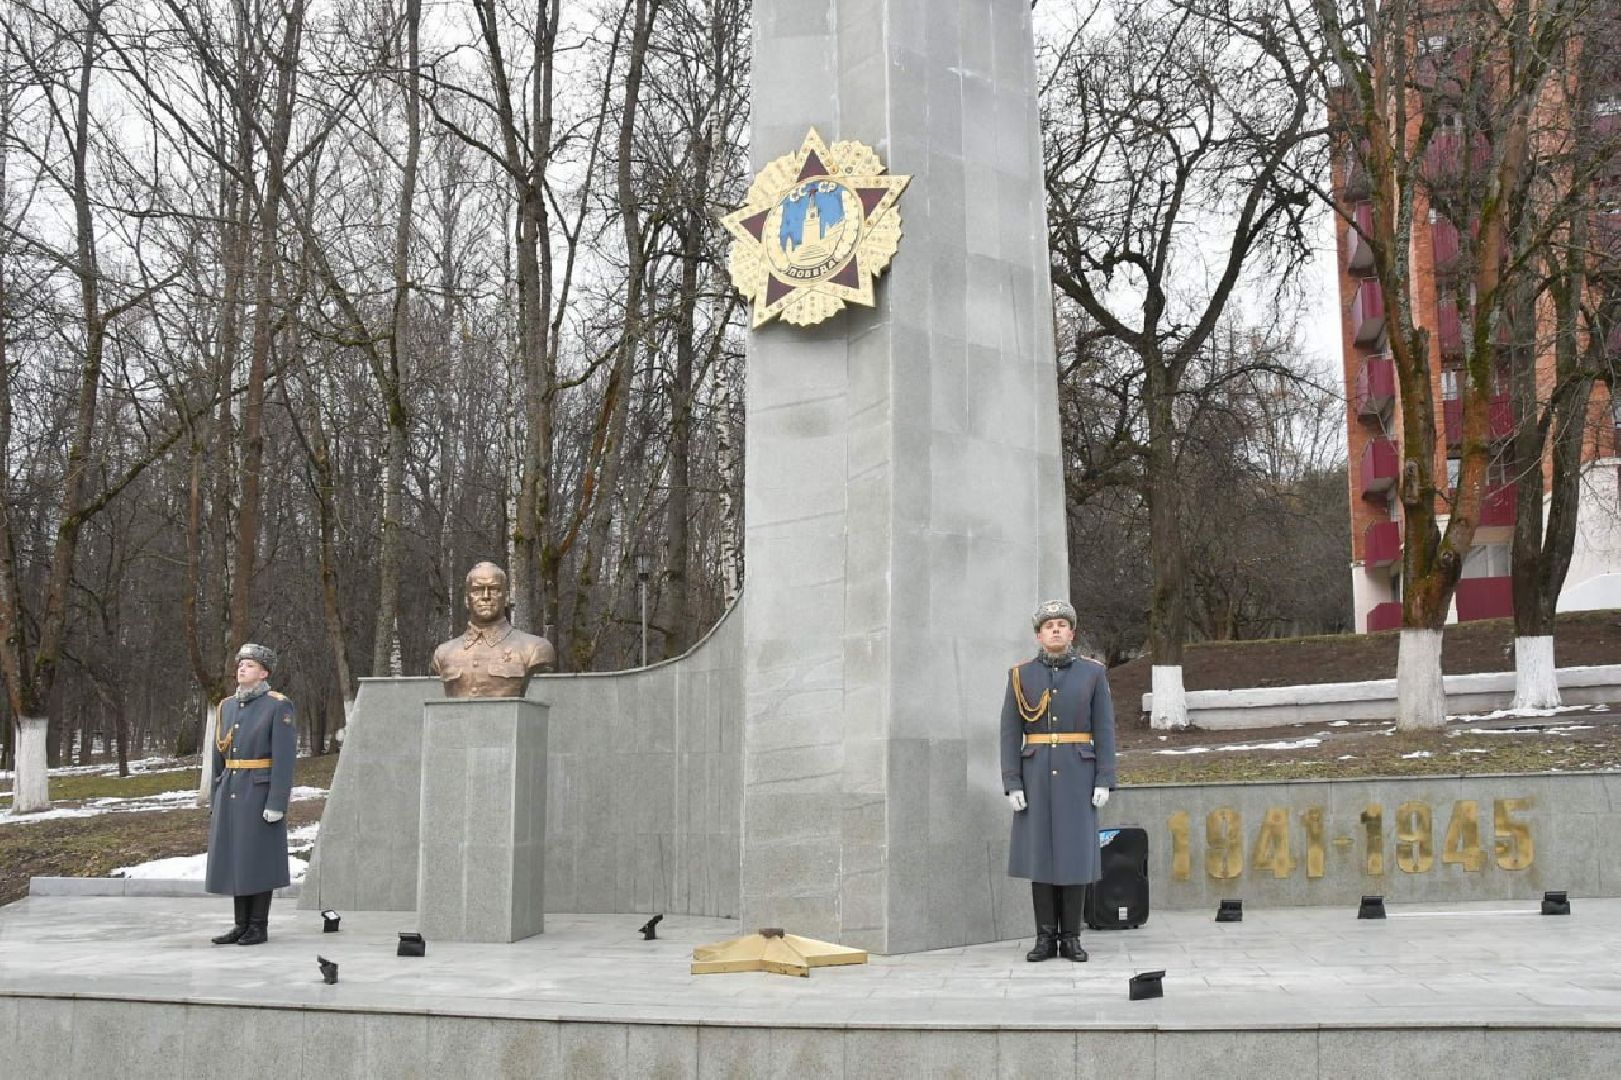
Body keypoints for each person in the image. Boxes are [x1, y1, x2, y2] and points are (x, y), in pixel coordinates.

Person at [1000, 600, 1117, 962]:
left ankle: (1071, 938)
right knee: (1041, 858)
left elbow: (1104, 729)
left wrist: (1104, 778)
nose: (1055, 630)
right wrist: (1012, 782)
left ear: (1072, 633)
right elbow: (1009, 732)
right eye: (1048, 625)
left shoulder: (1093, 674)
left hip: (1078, 775)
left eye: (1062, 625)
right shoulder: (1020, 675)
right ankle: (1044, 938)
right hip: (1035, 776)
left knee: (1074, 857)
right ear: (1038, 634)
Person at [206, 643, 296, 946]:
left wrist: (277, 801)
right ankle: (241, 925)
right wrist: (215, 794)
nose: (242, 669)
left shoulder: (278, 705)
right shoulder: (227, 706)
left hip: (258, 791)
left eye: (250, 665)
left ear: (264, 673)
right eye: (240, 664)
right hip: (231, 788)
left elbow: (285, 759)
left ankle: (258, 925)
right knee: (236, 859)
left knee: (257, 859)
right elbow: (218, 755)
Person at [431, 562, 556, 698]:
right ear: (467, 600)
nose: (486, 596)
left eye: (494, 589)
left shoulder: (534, 649)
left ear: (507, 597)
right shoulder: (443, 653)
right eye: (477, 590)